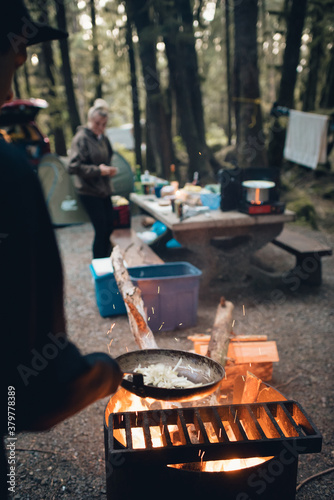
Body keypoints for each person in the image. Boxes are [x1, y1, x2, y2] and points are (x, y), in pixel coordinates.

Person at [0, 2, 123, 498]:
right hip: (93, 195)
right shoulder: (9, 176)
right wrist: (107, 373)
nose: (26, 61)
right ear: (12, 44)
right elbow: (34, 394)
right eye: (24, 46)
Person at [68, 100, 118, 258]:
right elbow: (73, 167)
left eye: (104, 124)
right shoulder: (81, 138)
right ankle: (99, 264)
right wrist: (98, 171)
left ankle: (109, 261)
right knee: (101, 229)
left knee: (110, 226)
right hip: (89, 191)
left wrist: (108, 170)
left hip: (104, 189)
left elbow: (109, 157)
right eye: (98, 123)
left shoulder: (103, 138)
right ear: (90, 120)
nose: (101, 128)